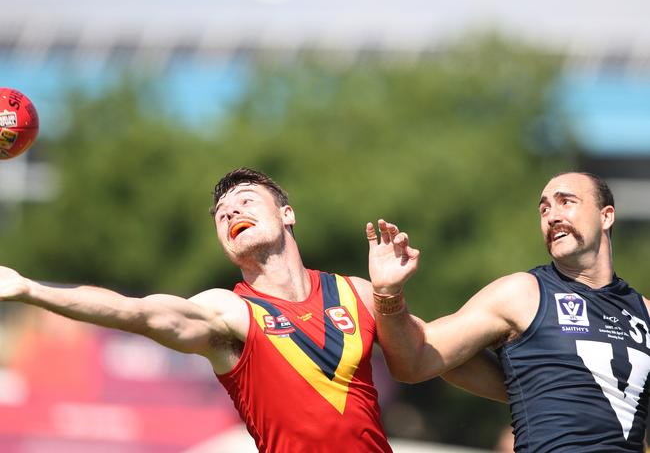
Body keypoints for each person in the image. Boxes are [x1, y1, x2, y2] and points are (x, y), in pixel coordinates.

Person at [0, 167, 500, 453]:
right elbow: (138, 312)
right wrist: (29, 288)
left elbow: (433, 354)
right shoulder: (230, 314)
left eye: (245, 201)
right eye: (222, 215)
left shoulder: (359, 293)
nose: (232, 213)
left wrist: (550, 393)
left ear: (287, 214)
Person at [368, 171, 650, 452]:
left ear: (606, 216)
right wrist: (387, 293)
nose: (552, 216)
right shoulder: (522, 294)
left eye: (566, 202)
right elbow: (414, 361)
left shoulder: (645, 312)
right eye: (544, 208)